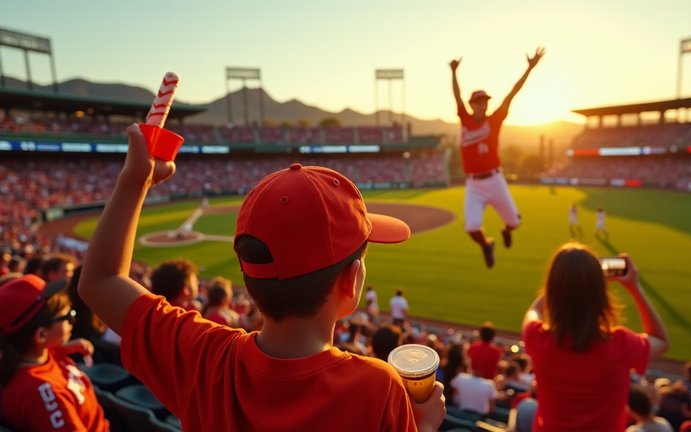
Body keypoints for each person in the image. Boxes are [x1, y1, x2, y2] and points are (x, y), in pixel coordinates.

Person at [78, 125, 445, 431]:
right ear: (351, 281)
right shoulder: (379, 387)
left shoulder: (205, 357)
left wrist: (134, 179)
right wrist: (424, 427)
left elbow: (100, 281)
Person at [522, 243, 669, 431]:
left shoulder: (537, 337)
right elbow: (661, 340)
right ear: (599, 292)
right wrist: (634, 288)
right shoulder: (621, 344)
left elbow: (534, 310)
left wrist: (564, 283)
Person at [449, 47, 545, 268]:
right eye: (477, 101)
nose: (482, 104)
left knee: (514, 223)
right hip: (473, 184)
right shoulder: (465, 118)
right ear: (472, 105)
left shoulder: (494, 120)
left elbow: (513, 93)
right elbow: (456, 95)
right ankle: (487, 245)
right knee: (472, 228)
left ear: (487, 104)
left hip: (495, 180)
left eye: (484, 101)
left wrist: (529, 68)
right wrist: (453, 72)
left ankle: (505, 230)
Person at [0, 274, 108, 431]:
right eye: (67, 316)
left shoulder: (35, 354)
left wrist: (60, 347)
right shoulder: (44, 395)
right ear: (41, 335)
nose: (73, 319)